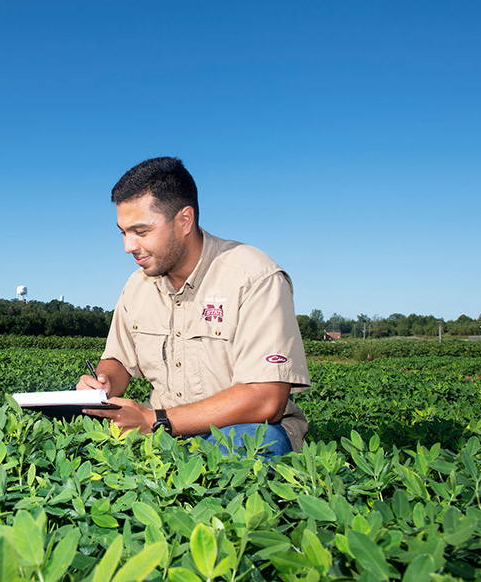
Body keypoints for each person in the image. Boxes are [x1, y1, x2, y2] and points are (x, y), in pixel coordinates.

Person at [77, 157, 310, 456]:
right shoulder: (137, 285)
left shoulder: (254, 277)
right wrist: (104, 382)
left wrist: (155, 421)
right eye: (123, 232)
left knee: (253, 442)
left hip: (236, 429)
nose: (128, 246)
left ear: (184, 220)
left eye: (141, 231)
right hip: (159, 430)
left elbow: (266, 400)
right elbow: (118, 360)